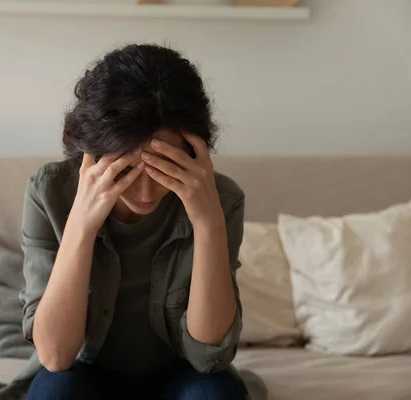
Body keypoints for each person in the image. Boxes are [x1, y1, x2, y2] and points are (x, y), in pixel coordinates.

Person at [21, 44, 247, 400]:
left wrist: (208, 224)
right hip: (85, 369)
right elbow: (54, 355)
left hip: (182, 373)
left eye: (163, 168)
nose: (144, 190)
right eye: (125, 169)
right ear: (94, 150)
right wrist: (81, 225)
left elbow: (208, 356)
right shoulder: (49, 192)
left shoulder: (223, 200)